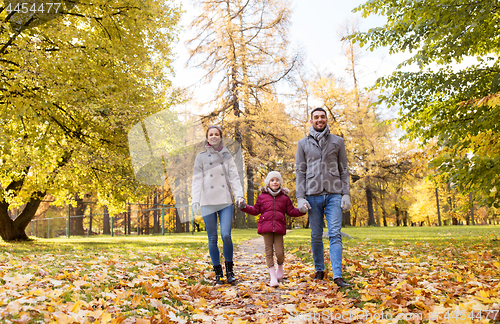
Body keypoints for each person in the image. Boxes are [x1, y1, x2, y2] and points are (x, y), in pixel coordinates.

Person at [295, 107, 351, 288]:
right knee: (316, 235)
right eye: (316, 117)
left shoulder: (338, 141)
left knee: (335, 234)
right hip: (312, 195)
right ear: (311, 121)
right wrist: (300, 198)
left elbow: (344, 170)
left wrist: (346, 194)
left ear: (327, 119)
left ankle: (337, 276)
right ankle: (319, 269)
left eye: (322, 117)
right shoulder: (302, 144)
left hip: (334, 193)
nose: (320, 119)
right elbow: (300, 171)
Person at [192, 125, 245, 285]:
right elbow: (197, 179)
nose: (214, 136)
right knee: (212, 238)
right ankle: (218, 274)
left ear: (220, 137)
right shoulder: (200, 157)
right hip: (207, 201)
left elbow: (235, 177)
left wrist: (239, 196)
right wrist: (196, 199)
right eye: (211, 134)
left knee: (226, 235)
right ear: (207, 138)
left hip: (225, 201)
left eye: (217, 134)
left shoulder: (227, 155)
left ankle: (230, 271)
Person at [240, 171, 306, 287]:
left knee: (280, 252)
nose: (275, 182)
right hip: (266, 228)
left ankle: (280, 266)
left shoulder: (284, 198)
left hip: (279, 228)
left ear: (280, 182)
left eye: (277, 180)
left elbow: (291, 211)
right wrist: (244, 207)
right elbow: (255, 210)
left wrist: (301, 210)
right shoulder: (262, 197)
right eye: (272, 180)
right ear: (268, 183)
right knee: (268, 251)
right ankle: (272, 276)